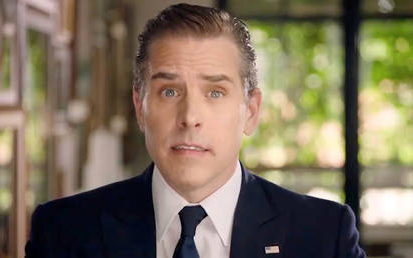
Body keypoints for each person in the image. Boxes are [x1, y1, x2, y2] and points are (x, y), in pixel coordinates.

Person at [25, 3, 366, 258]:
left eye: (215, 93)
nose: (190, 117)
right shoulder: (62, 231)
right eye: (169, 91)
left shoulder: (323, 235)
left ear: (250, 111)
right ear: (140, 107)